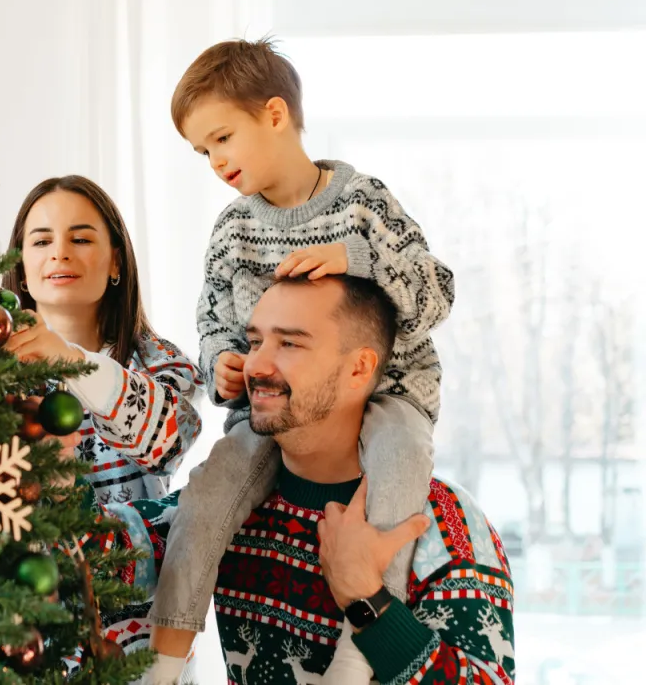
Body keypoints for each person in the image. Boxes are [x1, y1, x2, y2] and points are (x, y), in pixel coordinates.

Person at [152, 38, 455, 683]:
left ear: (274, 114)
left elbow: (437, 292)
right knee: (207, 496)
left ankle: (357, 657)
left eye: (222, 138)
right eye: (203, 151)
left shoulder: (363, 203)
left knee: (398, 472)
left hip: (392, 392)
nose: (215, 161)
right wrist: (224, 367)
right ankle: (165, 665)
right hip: (277, 410)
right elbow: (212, 323)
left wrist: (361, 263)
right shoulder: (233, 230)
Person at [82, 276, 513, 685]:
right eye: (254, 342)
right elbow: (81, 556)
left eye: (289, 343)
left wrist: (369, 601)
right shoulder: (221, 509)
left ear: (359, 369)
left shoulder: (440, 522)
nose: (256, 364)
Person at [0, 175, 202, 505]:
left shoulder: (158, 360)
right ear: (21, 270)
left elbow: (174, 440)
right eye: (41, 242)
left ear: (116, 262)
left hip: (132, 554)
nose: (60, 253)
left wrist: (68, 359)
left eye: (80, 239)